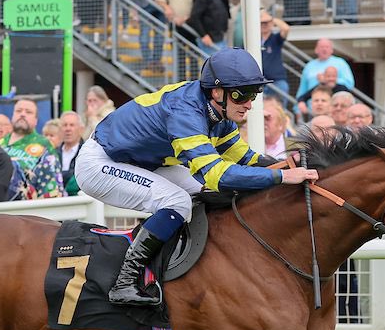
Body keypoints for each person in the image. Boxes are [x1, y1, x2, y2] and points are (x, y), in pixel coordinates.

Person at [74, 48, 319, 306]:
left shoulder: (220, 112)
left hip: (142, 161)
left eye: (253, 94)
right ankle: (125, 281)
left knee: (202, 192)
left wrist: (285, 164)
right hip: (101, 162)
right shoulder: (185, 113)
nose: (249, 103)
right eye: (242, 94)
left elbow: (244, 157)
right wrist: (281, 177)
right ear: (217, 92)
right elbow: (218, 175)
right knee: (178, 200)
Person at [1, 99, 64, 199]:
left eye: (28, 112)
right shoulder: (0, 143)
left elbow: (53, 189)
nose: (22, 114)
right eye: (19, 111)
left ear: (36, 121)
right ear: (12, 116)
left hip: (25, 209)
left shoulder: (44, 145)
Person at [55, 111, 85, 196]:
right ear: (60, 130)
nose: (68, 129)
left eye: (72, 125)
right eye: (65, 125)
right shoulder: (52, 153)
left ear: (81, 129)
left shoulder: (87, 153)